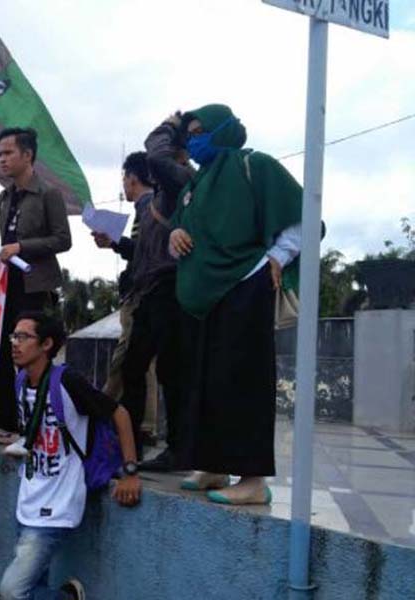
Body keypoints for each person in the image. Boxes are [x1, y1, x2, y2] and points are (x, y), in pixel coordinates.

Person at [168, 104, 302, 505]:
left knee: (245, 380)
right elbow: (181, 227)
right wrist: (174, 235)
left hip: (245, 284)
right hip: (203, 299)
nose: (193, 140)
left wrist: (277, 257)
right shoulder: (196, 184)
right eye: (188, 134)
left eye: (199, 131)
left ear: (223, 129)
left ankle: (253, 479)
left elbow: (302, 216)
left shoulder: (255, 165)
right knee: (208, 381)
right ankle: (214, 465)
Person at [0, 311, 141, 600]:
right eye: (14, 336)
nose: (15, 343)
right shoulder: (21, 382)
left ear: (47, 344)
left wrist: (130, 471)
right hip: (28, 501)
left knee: (12, 592)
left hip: (57, 507)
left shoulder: (67, 382)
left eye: (24, 337)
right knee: (32, 586)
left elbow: (119, 414)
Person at [129, 115, 197, 472]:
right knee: (133, 368)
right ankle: (130, 446)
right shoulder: (159, 196)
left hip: (171, 290)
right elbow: (146, 252)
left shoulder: (180, 183)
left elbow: (155, 156)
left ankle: (179, 450)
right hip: (150, 290)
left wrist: (170, 126)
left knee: (172, 372)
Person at [0, 127, 72, 434]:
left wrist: (23, 248)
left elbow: (63, 240)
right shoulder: (4, 196)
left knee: (29, 350)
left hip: (35, 283)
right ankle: (7, 419)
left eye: (8, 153)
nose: (2, 159)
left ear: (28, 155)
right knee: (2, 347)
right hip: (4, 282)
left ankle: (39, 418)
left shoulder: (48, 194)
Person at [90, 152, 154, 404]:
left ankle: (104, 408)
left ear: (132, 178)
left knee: (128, 356)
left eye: (124, 178)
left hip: (141, 293)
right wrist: (115, 242)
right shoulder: (148, 206)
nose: (123, 184)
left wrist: (117, 243)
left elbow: (145, 253)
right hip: (143, 291)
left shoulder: (148, 206)